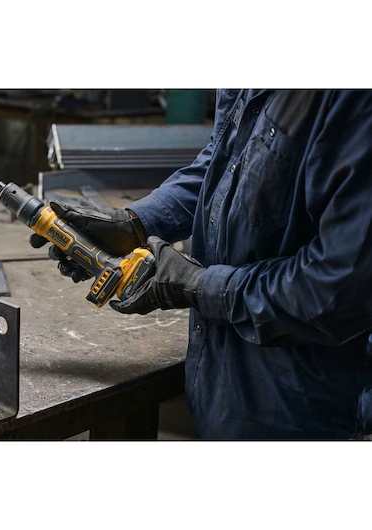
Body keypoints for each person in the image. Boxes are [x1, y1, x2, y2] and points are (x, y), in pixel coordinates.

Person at [31, 90, 372, 440]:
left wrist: (198, 285)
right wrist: (136, 223)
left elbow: (337, 289)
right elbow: (224, 163)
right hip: (223, 385)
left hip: (306, 408)